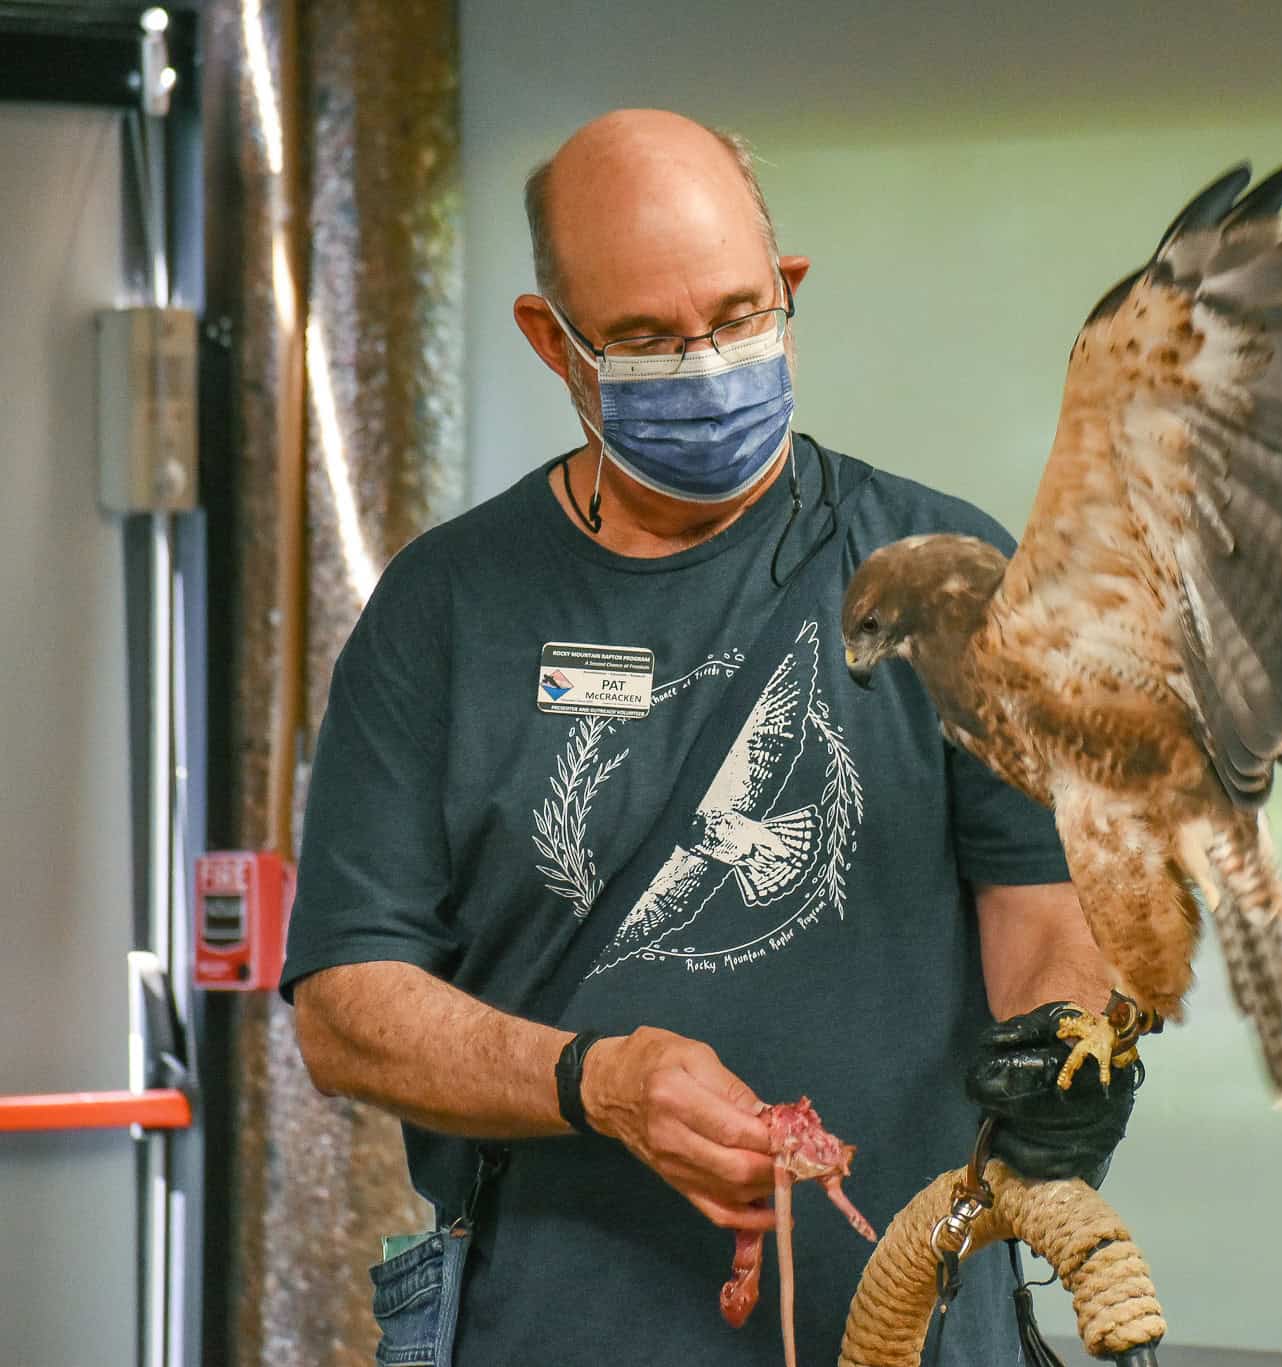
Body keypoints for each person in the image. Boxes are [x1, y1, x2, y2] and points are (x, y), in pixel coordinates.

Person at [281, 109, 1139, 1366]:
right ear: (552, 341)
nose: (705, 366)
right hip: (553, 1335)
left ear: (787, 293)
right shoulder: (447, 608)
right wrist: (596, 1081)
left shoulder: (940, 576)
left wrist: (1069, 1052)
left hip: (911, 1330)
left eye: (738, 317)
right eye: (643, 339)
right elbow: (347, 1008)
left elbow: (1048, 908)